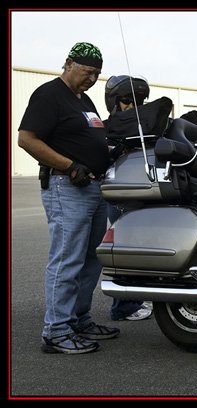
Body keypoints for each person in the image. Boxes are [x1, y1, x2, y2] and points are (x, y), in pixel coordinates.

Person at [18, 42, 120, 354]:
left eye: (97, 74)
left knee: (91, 258)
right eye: (88, 71)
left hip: (94, 188)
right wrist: (69, 165)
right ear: (68, 64)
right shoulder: (49, 95)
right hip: (67, 187)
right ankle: (56, 332)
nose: (92, 78)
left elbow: (91, 138)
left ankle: (79, 319)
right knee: (67, 259)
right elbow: (26, 139)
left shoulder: (84, 99)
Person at [103, 74, 153, 321]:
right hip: (121, 192)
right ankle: (124, 307)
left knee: (145, 245)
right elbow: (100, 155)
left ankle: (140, 298)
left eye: (137, 101)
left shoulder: (146, 125)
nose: (131, 107)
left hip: (145, 191)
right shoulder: (107, 127)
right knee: (125, 244)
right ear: (113, 101)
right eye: (125, 101)